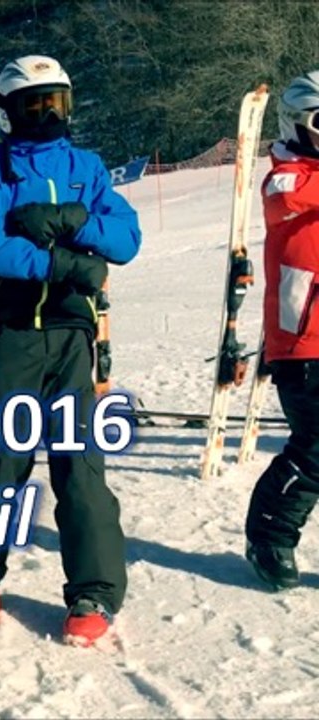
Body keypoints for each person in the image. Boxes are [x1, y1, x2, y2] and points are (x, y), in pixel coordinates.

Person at [0, 55, 140, 647]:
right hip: (10, 333)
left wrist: (72, 220)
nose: (46, 114)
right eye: (33, 105)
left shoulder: (87, 167)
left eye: (55, 102)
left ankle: (95, 588)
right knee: (5, 455)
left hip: (71, 337)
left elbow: (126, 239)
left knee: (79, 463)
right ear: (6, 113)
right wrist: (60, 263)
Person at [244, 70, 319, 591]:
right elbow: (291, 198)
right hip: (303, 340)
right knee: (316, 446)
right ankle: (269, 534)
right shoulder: (285, 177)